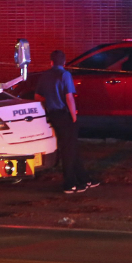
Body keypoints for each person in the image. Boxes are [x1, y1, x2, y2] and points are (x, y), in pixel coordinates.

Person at [35, 50, 94, 194]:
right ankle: (69, 183)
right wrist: (74, 115)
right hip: (65, 114)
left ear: (51, 62)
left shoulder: (45, 75)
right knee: (68, 149)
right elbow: (69, 97)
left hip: (53, 114)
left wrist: (49, 101)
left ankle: (84, 179)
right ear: (64, 62)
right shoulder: (65, 75)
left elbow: (37, 96)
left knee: (71, 146)